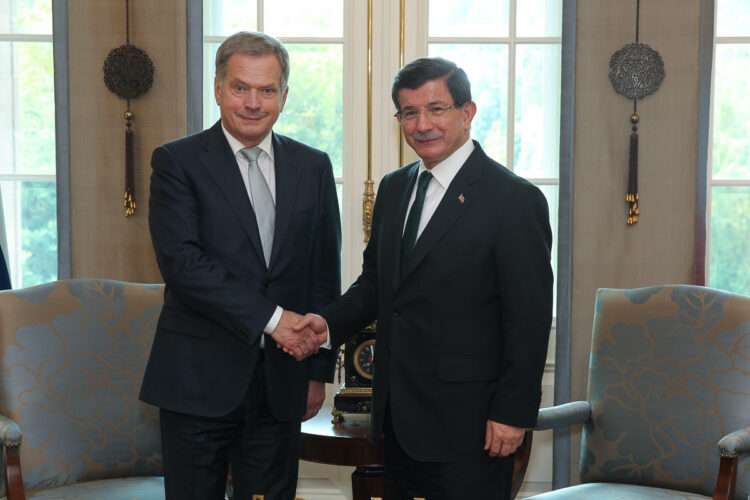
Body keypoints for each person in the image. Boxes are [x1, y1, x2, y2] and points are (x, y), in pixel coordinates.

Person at [296, 57, 553, 500]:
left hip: (471, 425)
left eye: (436, 109)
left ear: (467, 112)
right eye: (409, 113)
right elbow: (376, 284)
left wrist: (513, 414)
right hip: (398, 419)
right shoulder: (395, 188)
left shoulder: (514, 200)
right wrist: (326, 326)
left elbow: (528, 319)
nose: (422, 124)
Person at [139, 31, 341, 500]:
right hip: (196, 382)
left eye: (267, 90)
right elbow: (183, 265)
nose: (253, 102)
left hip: (284, 383)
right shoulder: (177, 161)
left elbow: (322, 273)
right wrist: (274, 322)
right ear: (217, 89)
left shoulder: (313, 167)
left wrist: (317, 374)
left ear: (284, 96)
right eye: (240, 88)